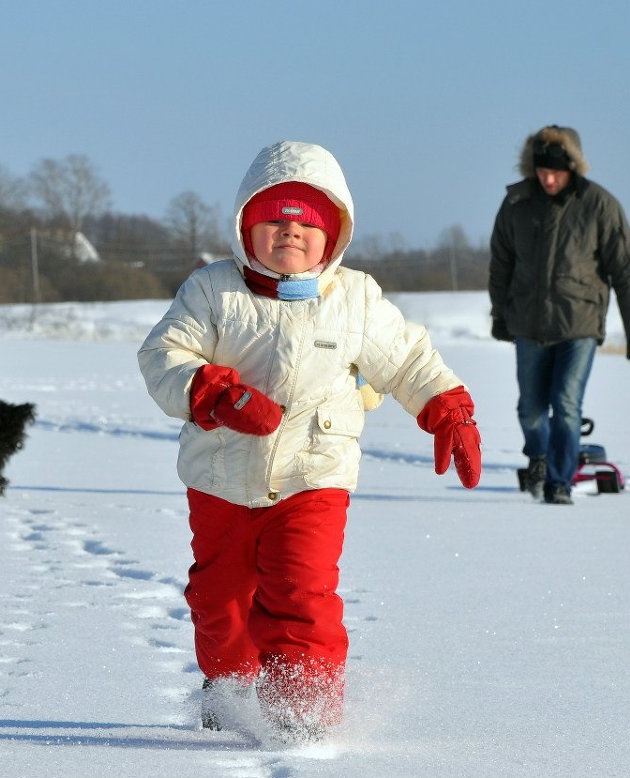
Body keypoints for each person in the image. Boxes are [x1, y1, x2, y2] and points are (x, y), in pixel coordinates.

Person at [138, 140, 481, 742]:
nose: (289, 231)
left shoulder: (355, 298)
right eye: (273, 218)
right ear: (246, 225)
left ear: (334, 235)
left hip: (313, 477)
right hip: (221, 479)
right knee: (221, 602)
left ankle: (305, 709)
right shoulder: (213, 290)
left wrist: (448, 407)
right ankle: (232, 691)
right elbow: (163, 356)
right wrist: (214, 393)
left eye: (307, 222)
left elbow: (407, 359)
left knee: (301, 591)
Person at [489, 125, 630, 505]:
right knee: (530, 410)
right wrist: (500, 316)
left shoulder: (599, 205)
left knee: (565, 405)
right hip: (529, 323)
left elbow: (626, 270)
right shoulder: (516, 204)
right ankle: (539, 457)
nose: (548, 178)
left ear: (572, 168)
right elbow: (501, 264)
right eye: (542, 171)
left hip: (579, 324)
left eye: (556, 172)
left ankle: (559, 482)